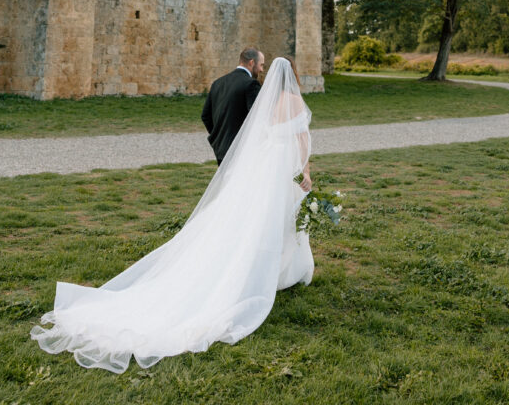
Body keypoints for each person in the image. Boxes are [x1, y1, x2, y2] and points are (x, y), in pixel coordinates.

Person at [31, 57, 314, 372]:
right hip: (280, 168)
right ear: (294, 77)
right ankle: (277, 273)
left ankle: (267, 270)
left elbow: (255, 136)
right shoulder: (295, 101)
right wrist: (305, 172)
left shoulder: (267, 101)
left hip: (261, 167)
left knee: (253, 222)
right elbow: (303, 142)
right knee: (279, 219)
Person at [201, 46, 264, 164]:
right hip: (241, 150)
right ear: (251, 63)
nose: (261, 70)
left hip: (220, 148)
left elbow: (205, 116)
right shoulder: (251, 84)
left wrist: (218, 135)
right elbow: (256, 117)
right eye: (261, 65)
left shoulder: (218, 83)